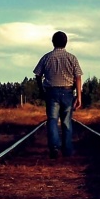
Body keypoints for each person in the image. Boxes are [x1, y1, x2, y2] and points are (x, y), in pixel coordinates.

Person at [33, 31, 83, 159]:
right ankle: (67, 150)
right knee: (66, 121)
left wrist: (41, 90)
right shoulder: (72, 58)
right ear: (66, 42)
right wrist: (79, 96)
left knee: (52, 120)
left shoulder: (47, 57)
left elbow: (37, 75)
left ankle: (54, 147)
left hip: (51, 92)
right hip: (67, 92)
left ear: (53, 42)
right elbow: (78, 77)